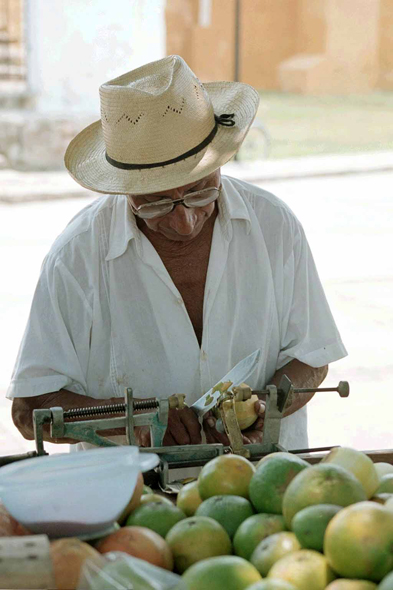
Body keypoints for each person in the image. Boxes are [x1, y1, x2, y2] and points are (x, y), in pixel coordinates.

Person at [9, 55, 347, 452]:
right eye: (154, 204)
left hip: (261, 484)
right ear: (124, 188)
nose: (184, 222)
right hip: (131, 498)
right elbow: (30, 408)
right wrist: (134, 421)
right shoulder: (77, 258)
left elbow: (312, 357)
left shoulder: (274, 226)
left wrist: (265, 408)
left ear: (220, 163)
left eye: (200, 191)